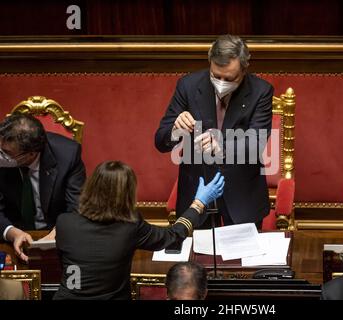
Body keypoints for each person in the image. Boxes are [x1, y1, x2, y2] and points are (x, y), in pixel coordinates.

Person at [53, 161, 224, 300]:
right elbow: (173, 236)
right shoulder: (129, 226)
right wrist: (199, 203)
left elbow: (66, 266)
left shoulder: (64, 222)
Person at [155, 34, 273, 229]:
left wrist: (223, 147)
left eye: (229, 78)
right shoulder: (188, 86)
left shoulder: (261, 91)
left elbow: (256, 143)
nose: (221, 82)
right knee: (199, 258)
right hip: (197, 191)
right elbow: (160, 140)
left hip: (242, 193)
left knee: (242, 258)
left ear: (244, 69)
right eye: (215, 76)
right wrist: (176, 130)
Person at [0, 113, 86, 261]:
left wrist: (55, 235)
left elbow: (76, 208)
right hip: (10, 236)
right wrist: (12, 233)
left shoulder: (68, 155)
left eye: (6, 153)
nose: (1, 155)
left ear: (31, 154)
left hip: (53, 235)